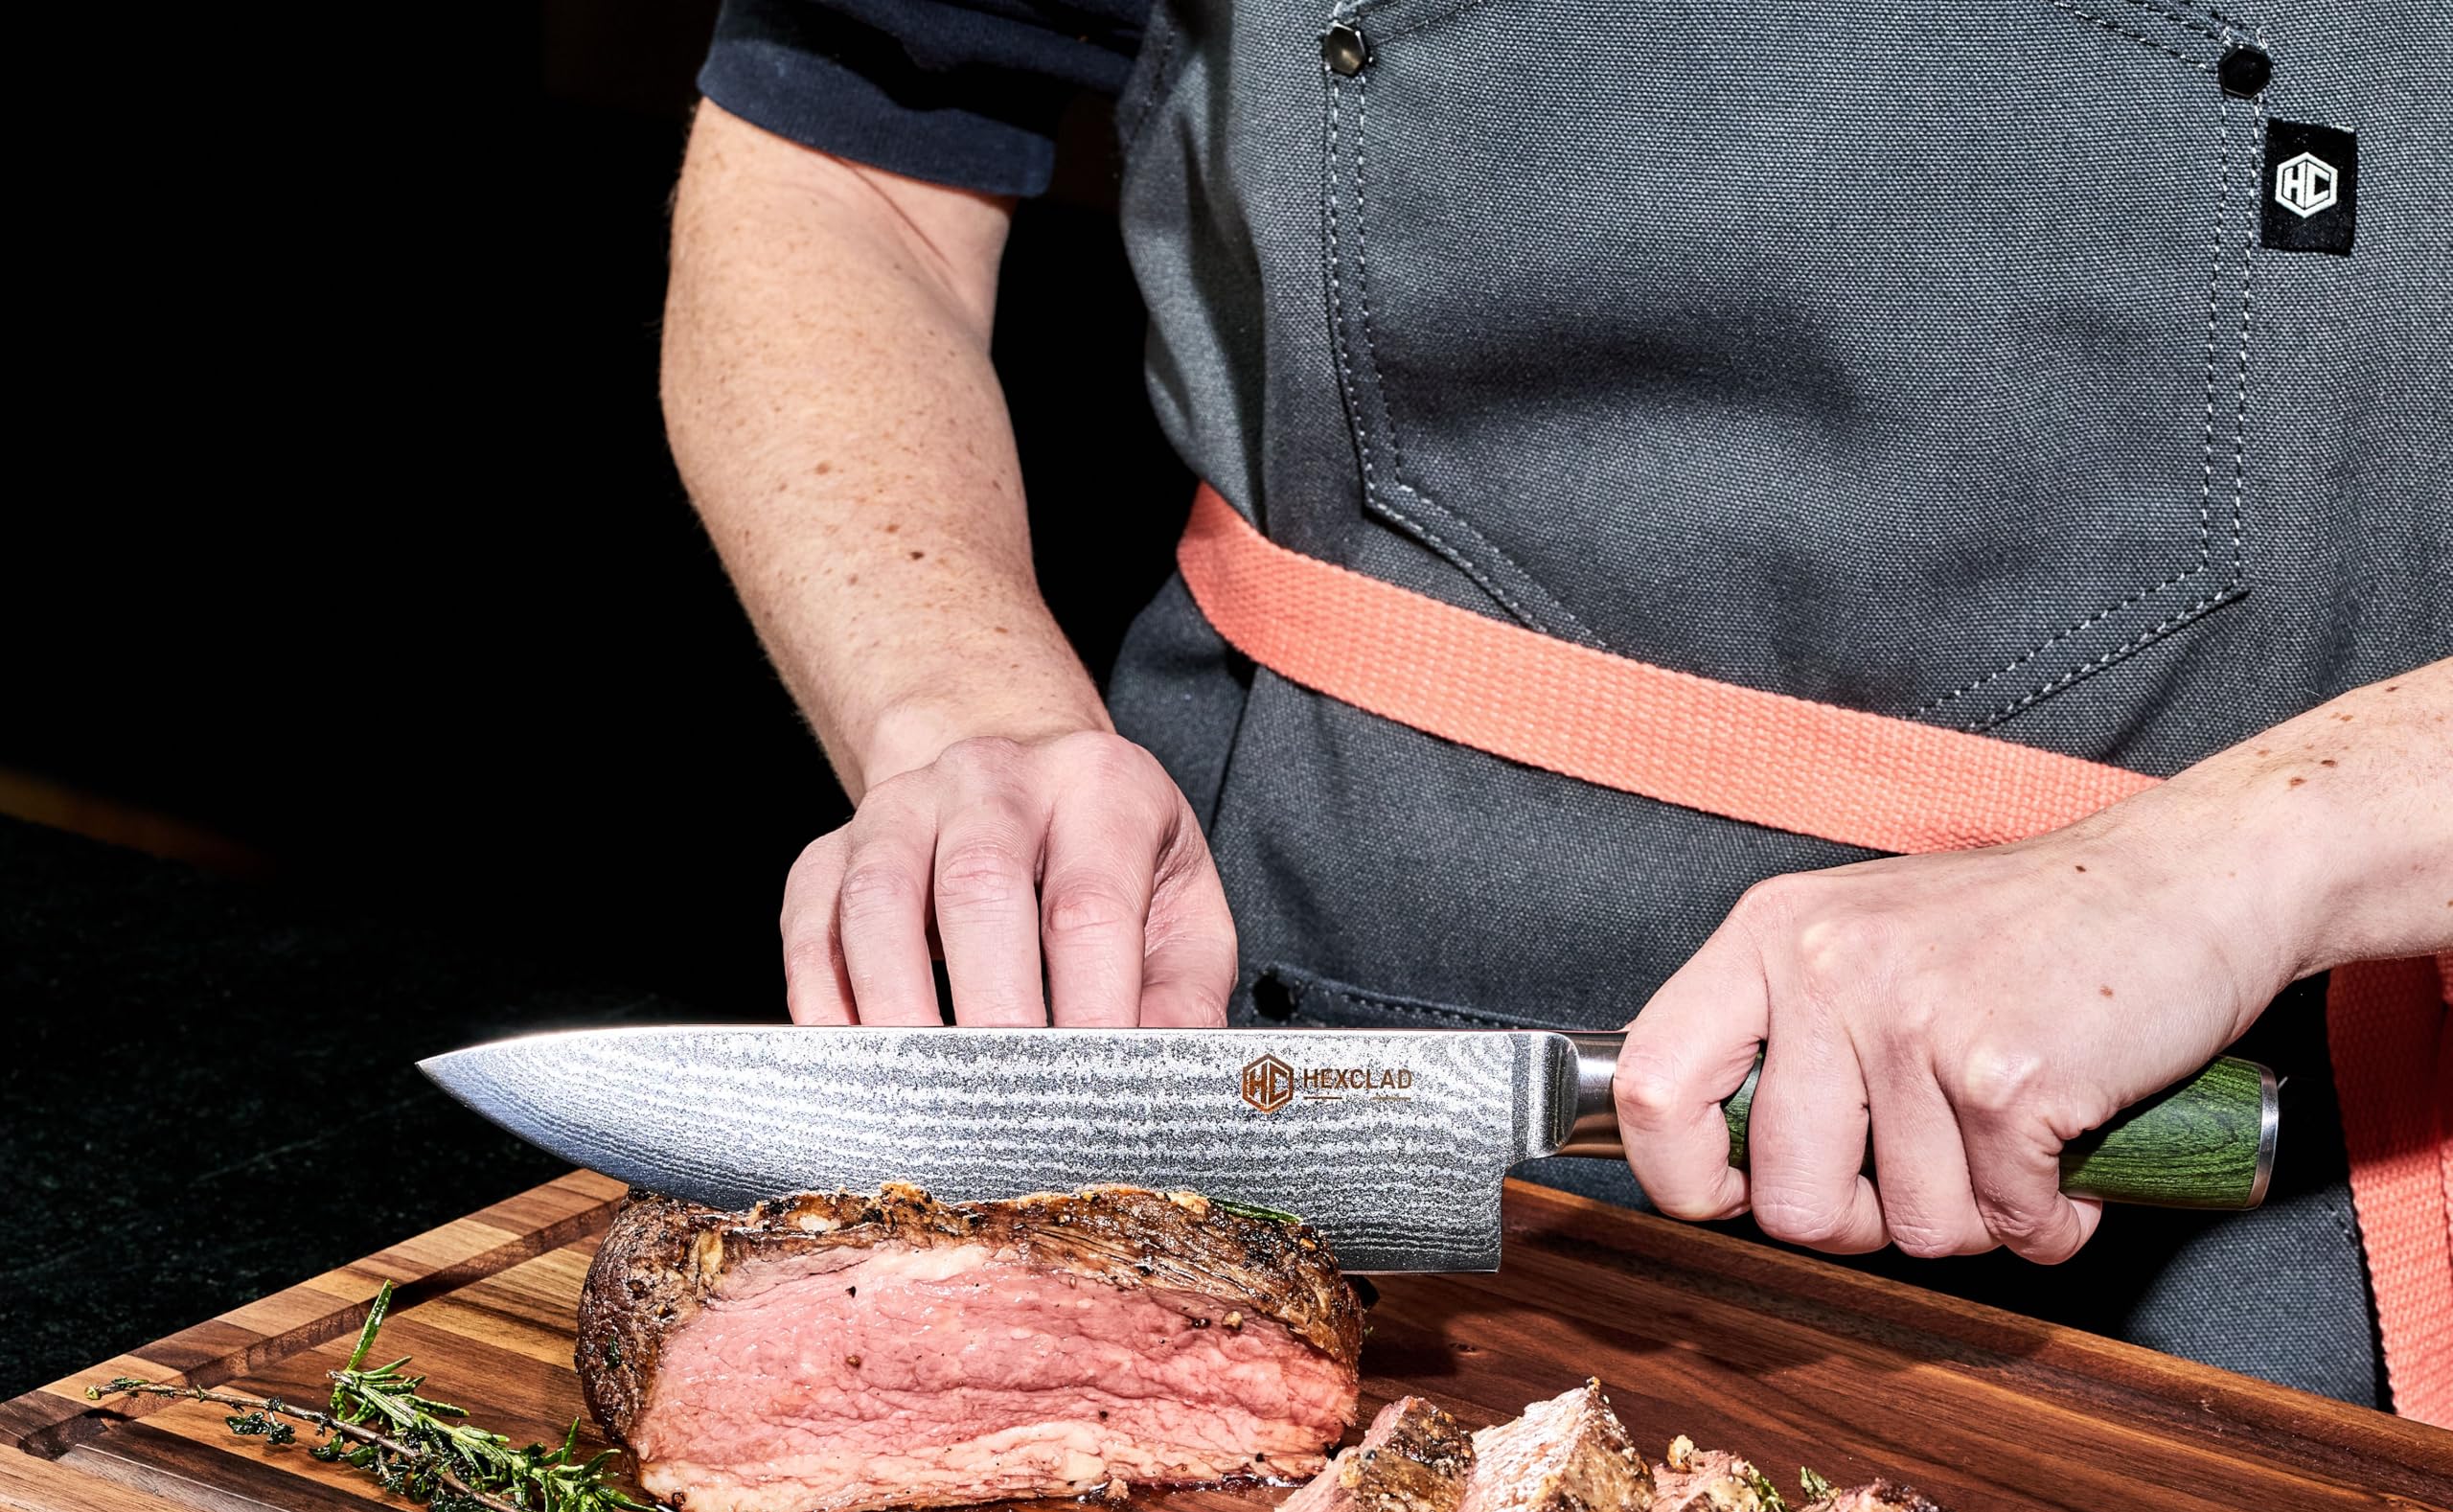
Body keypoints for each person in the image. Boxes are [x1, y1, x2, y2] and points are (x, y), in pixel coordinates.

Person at [661, 0, 2452, 1413]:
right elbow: (847, 157)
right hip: (1280, 1068)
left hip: (2244, 1219)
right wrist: (957, 709)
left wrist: (2252, 859)